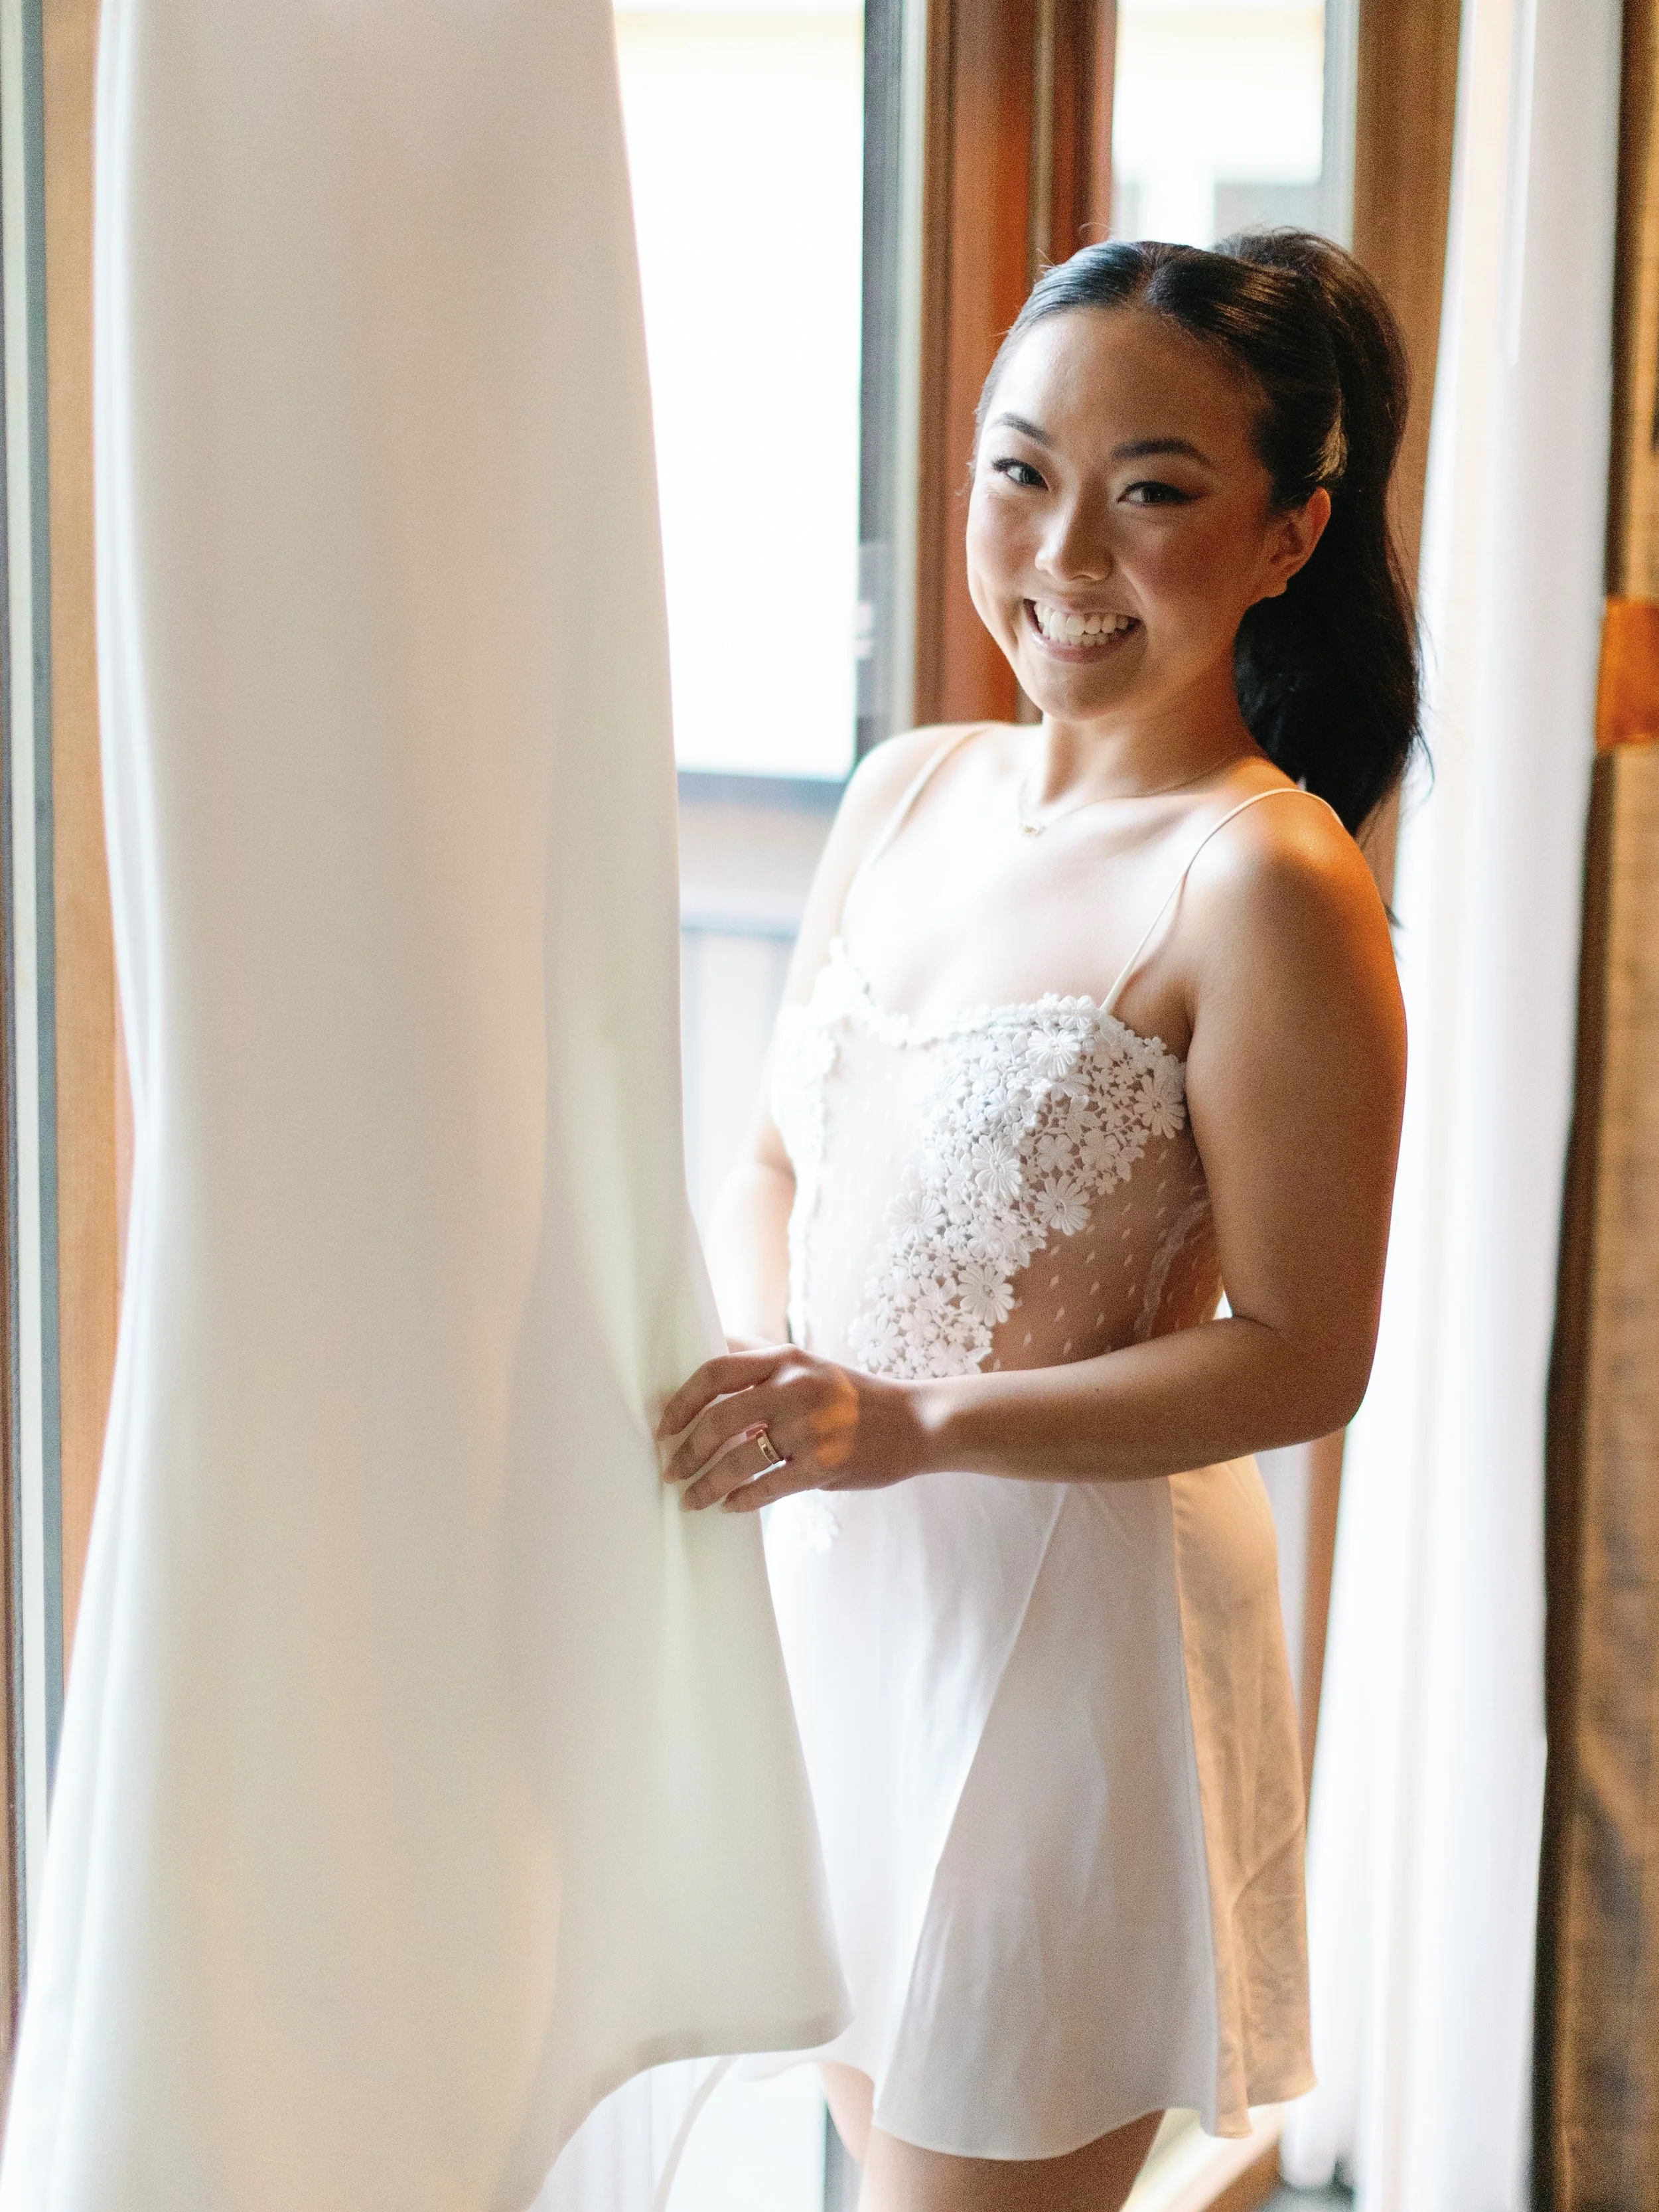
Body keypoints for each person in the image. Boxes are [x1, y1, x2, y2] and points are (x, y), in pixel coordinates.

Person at [658, 230, 1412, 2212]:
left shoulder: (1265, 880)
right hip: (835, 1603)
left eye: (1153, 491)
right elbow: (766, 1158)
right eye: (1022, 472)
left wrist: (910, 1426)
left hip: (1059, 1657)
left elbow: (1305, 1351)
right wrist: (779, 1393)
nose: (1065, 557)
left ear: (1285, 533)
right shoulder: (904, 789)